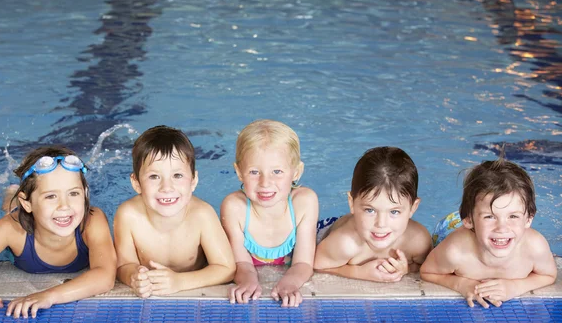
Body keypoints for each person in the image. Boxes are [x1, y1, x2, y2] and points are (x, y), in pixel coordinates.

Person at [0, 146, 117, 318]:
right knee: (10, 211)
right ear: (27, 203)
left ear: (85, 195)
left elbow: (105, 276)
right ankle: (11, 195)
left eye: (73, 193)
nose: (64, 206)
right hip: (22, 218)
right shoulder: (11, 229)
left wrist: (49, 296)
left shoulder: (92, 221)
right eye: (51, 196)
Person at [114, 125, 235, 297]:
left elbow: (226, 268)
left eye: (177, 175)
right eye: (154, 176)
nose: (166, 187)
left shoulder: (202, 215)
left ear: (193, 181)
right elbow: (123, 265)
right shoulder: (127, 215)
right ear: (136, 183)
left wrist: (179, 282)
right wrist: (134, 276)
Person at [420, 159, 557, 307]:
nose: (502, 228)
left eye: (513, 216)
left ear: (528, 219)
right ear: (468, 220)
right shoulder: (455, 252)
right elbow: (427, 272)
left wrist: (515, 287)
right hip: (451, 226)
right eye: (490, 216)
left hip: (478, 222)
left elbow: (548, 275)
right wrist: (462, 284)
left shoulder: (535, 247)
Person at [221, 119, 319, 307]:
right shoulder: (234, 207)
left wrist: (290, 283)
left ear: (296, 172)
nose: (265, 183)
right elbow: (241, 263)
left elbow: (304, 263)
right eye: (254, 172)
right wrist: (247, 281)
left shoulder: (304, 203)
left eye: (277, 171)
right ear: (239, 172)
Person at [314, 147, 432, 282]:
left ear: (413, 208)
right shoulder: (344, 243)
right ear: (351, 203)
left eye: (394, 212)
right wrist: (359, 272)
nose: (381, 224)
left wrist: (407, 270)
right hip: (328, 230)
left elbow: (428, 268)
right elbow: (317, 265)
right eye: (370, 210)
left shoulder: (418, 241)